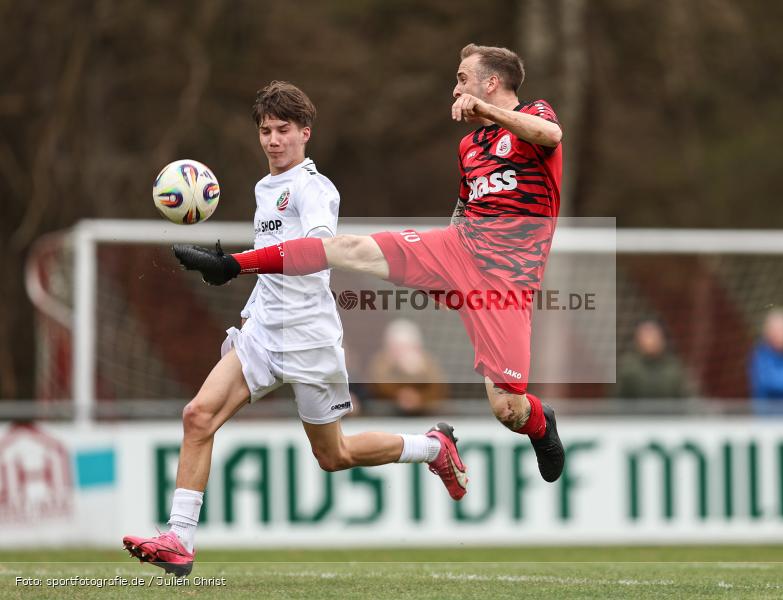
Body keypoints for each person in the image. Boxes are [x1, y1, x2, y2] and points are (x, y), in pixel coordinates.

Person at [173, 44, 566, 486]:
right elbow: (466, 203)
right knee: (347, 248)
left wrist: (488, 112)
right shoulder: (470, 145)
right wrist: (447, 268)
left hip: (506, 280)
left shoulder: (535, 114)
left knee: (507, 409)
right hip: (459, 249)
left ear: (491, 83)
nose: (455, 89)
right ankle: (233, 265)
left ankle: (541, 424)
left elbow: (550, 136)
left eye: (462, 79)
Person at [123, 82, 466, 577]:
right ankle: (179, 539)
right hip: (263, 331)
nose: (273, 140)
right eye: (265, 131)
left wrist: (233, 264)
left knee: (334, 455)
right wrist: (236, 272)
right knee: (198, 416)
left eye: (283, 130)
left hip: (310, 338)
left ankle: (433, 447)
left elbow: (318, 252)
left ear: (306, 132)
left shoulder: (314, 188)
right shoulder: (264, 188)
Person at [368, 319, 447, 416]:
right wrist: (399, 392)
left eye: (406, 347)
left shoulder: (427, 364)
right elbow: (378, 388)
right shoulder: (381, 363)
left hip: (424, 416)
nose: (401, 352)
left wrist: (418, 377)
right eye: (396, 348)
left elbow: (438, 391)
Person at [615, 319, 688, 399]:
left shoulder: (674, 368)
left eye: (653, 335)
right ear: (637, 340)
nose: (650, 340)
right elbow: (617, 399)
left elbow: (686, 397)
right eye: (646, 335)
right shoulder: (628, 368)